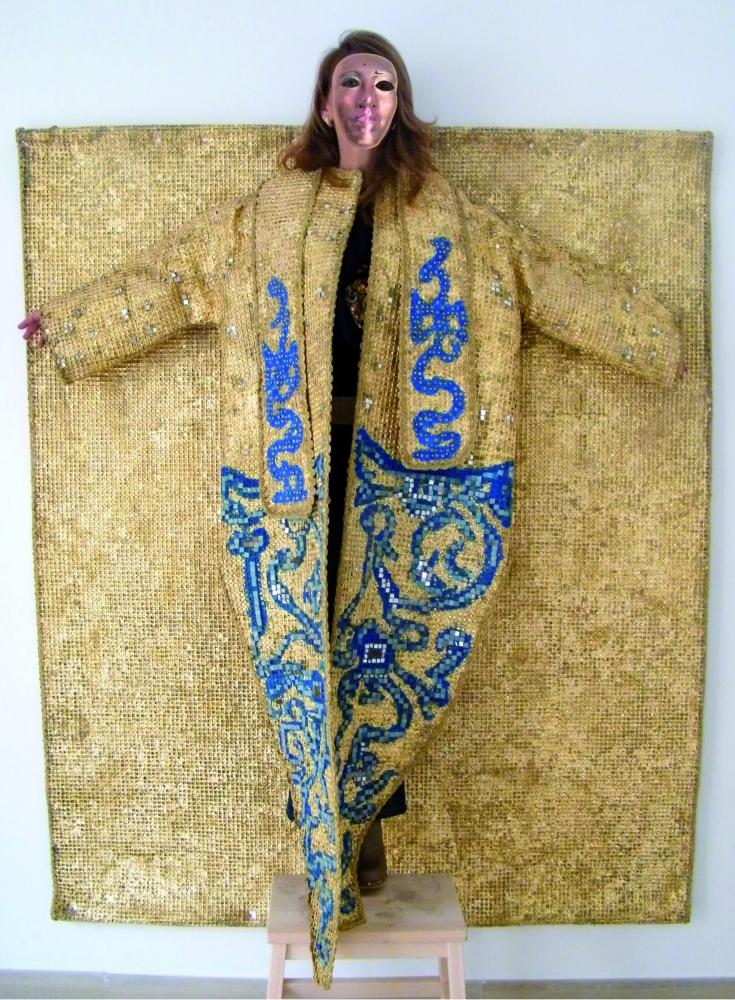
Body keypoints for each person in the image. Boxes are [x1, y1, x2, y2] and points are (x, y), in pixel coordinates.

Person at [18, 28, 687, 989]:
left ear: (398, 102)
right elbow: (173, 278)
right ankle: (330, 837)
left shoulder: (449, 218)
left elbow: (543, 278)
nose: (367, 98)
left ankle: (360, 830)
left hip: (409, 480)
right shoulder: (269, 213)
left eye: (383, 84)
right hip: (291, 479)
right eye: (350, 83)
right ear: (325, 101)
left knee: (387, 650)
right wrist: (74, 324)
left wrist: (654, 337)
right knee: (305, 652)